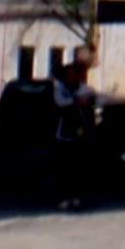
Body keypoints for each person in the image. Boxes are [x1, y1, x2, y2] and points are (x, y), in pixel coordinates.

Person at [52, 53, 100, 210]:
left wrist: (85, 100)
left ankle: (76, 197)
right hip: (63, 133)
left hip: (80, 133)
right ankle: (64, 197)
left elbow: (93, 98)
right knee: (63, 168)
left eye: (74, 74)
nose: (72, 77)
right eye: (69, 75)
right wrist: (77, 101)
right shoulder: (60, 88)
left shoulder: (85, 88)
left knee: (78, 168)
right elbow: (60, 102)